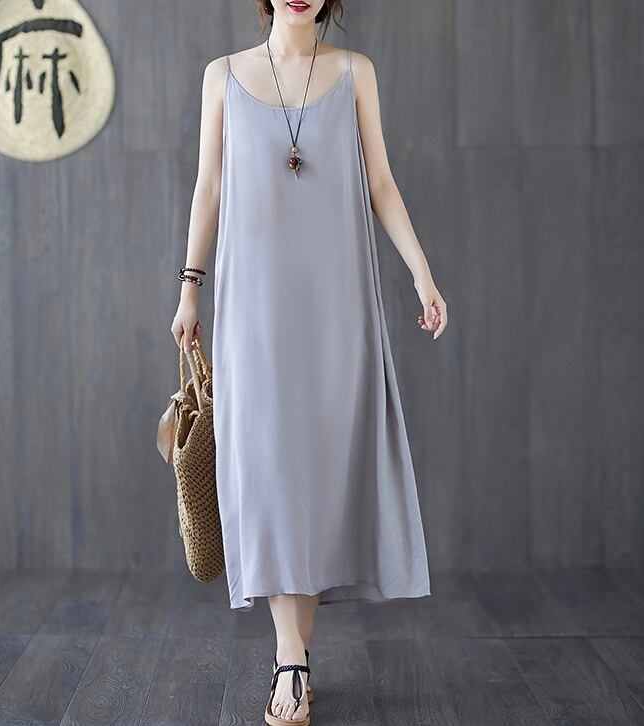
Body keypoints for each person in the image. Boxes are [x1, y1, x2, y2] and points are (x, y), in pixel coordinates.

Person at [171, 1, 447, 723]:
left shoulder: (355, 73)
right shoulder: (223, 76)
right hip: (253, 306)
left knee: (319, 476)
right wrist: (190, 289)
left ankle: (293, 658)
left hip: (337, 301)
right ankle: (290, 656)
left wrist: (421, 273)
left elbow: (380, 182)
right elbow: (208, 187)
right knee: (269, 472)